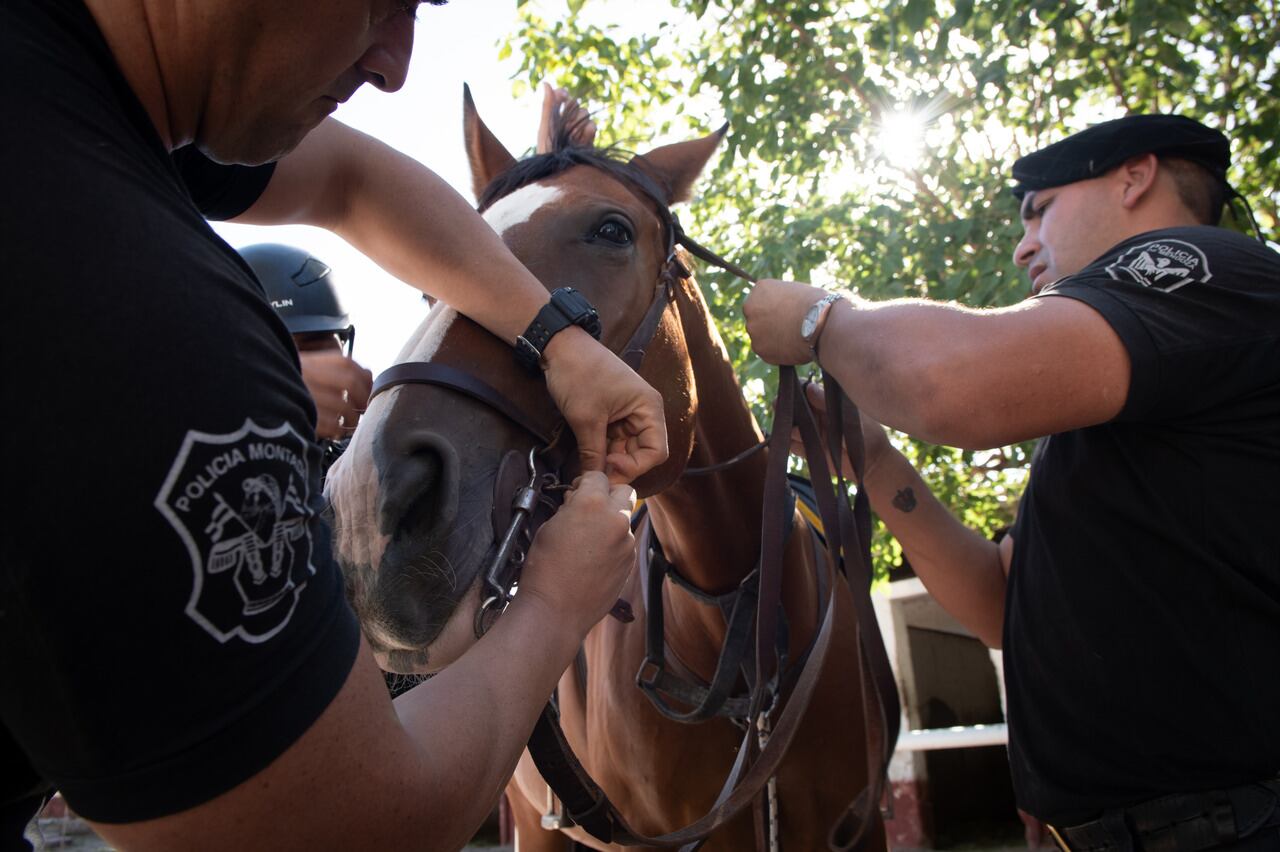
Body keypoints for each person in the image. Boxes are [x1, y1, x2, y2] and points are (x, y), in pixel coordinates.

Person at [2, 2, 669, 850]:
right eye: (382, 3)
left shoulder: (80, 86)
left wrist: (557, 338)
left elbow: (353, 181)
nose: (395, 64)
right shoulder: (131, 317)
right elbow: (345, 827)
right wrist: (552, 605)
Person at [744, 114, 1280, 850]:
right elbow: (1001, 605)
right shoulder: (1120, 404)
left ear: (1135, 177)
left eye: (1041, 209)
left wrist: (818, 317)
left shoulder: (1203, 264)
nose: (1024, 243)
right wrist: (874, 461)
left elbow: (947, 383)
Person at [238, 242, 373, 475]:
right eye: (273, 353)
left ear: (343, 346)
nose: (304, 373)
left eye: (314, 348)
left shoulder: (370, 465)